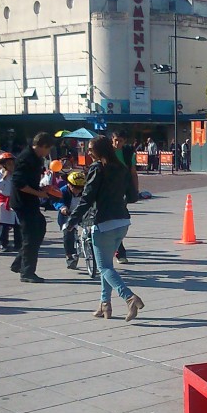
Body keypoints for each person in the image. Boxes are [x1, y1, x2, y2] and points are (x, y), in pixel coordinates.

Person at [66, 136, 144, 320]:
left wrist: (72, 220)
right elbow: (133, 196)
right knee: (107, 264)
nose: (88, 152)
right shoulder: (122, 168)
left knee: (104, 267)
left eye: (91, 149)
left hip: (104, 223)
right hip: (123, 222)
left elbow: (87, 197)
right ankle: (105, 305)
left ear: (99, 151)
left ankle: (129, 297)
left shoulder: (97, 168)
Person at [10, 132, 54, 283]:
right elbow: (19, 183)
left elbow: (32, 180)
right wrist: (38, 193)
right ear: (42, 146)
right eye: (48, 149)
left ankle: (19, 264)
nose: (48, 153)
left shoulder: (36, 158)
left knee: (40, 227)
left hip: (31, 200)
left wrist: (43, 188)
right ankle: (27, 272)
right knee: (30, 235)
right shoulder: (25, 158)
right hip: (23, 202)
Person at [111, 130, 138, 264]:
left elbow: (133, 173)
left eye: (120, 141)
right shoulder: (106, 152)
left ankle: (119, 251)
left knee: (119, 221)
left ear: (124, 141)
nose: (117, 143)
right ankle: (117, 250)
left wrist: (135, 190)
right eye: (115, 140)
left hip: (121, 191)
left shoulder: (128, 154)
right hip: (107, 191)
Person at [55, 170, 85, 269]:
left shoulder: (85, 191)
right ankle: (69, 256)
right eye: (75, 187)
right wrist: (62, 208)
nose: (78, 190)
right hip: (67, 215)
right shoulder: (62, 191)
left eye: (80, 188)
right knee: (68, 233)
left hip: (81, 214)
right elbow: (57, 201)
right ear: (69, 184)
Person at [0, 152, 20, 252]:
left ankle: (18, 244)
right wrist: (5, 176)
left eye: (12, 163)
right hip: (5, 201)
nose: (11, 166)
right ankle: (3, 244)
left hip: (15, 200)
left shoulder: (16, 174)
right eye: (9, 164)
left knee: (18, 224)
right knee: (4, 224)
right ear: (3, 164)